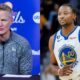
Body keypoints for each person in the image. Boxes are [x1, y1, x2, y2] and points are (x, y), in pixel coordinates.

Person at [46, 4, 80, 80]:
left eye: (65, 13)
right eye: (59, 14)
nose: (61, 16)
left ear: (74, 16)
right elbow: (52, 66)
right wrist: (59, 71)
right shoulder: (53, 39)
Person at [0, 2, 32, 75]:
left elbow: (26, 76)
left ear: (11, 21)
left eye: (3, 20)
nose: (0, 24)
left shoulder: (22, 44)